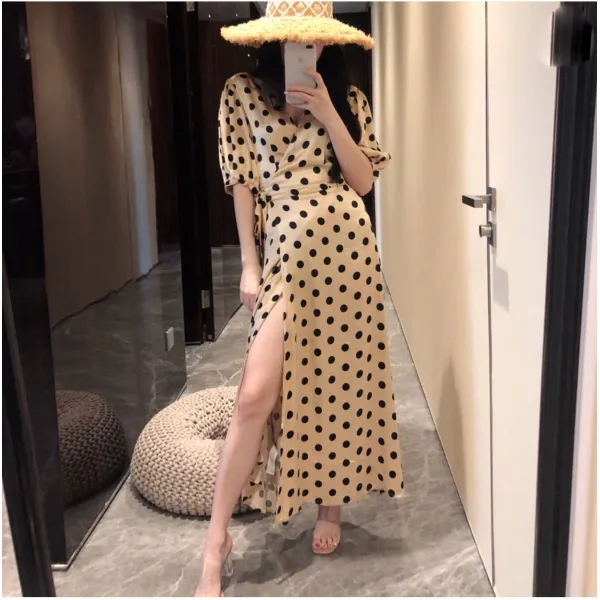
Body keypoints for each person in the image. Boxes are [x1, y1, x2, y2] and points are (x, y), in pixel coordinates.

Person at [196, 1, 403, 596]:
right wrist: (248, 263)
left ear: (327, 43)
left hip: (347, 256)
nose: (302, 48)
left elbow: (363, 182)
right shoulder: (242, 93)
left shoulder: (349, 99)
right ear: (274, 39)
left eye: (312, 39)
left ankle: (329, 506)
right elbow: (241, 181)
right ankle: (216, 541)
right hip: (286, 255)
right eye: (293, 38)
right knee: (253, 396)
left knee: (336, 382)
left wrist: (330, 114)